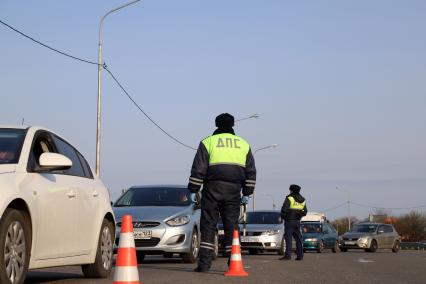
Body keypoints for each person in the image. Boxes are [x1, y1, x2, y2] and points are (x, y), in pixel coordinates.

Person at [188, 113, 256, 272]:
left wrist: (193, 190)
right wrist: (247, 192)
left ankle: (204, 264)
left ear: (216, 124)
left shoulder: (207, 142)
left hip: (212, 188)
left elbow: (199, 169)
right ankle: (233, 262)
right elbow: (251, 172)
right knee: (232, 225)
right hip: (234, 190)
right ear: (233, 125)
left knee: (208, 225)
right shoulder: (243, 144)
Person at [280, 184, 307, 261]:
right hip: (297, 221)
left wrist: (282, 217)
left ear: (291, 190)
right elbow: (305, 212)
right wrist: (298, 215)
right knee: (298, 238)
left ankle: (288, 255)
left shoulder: (289, 198)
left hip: (289, 221)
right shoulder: (303, 200)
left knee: (288, 238)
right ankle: (300, 255)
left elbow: (284, 209)